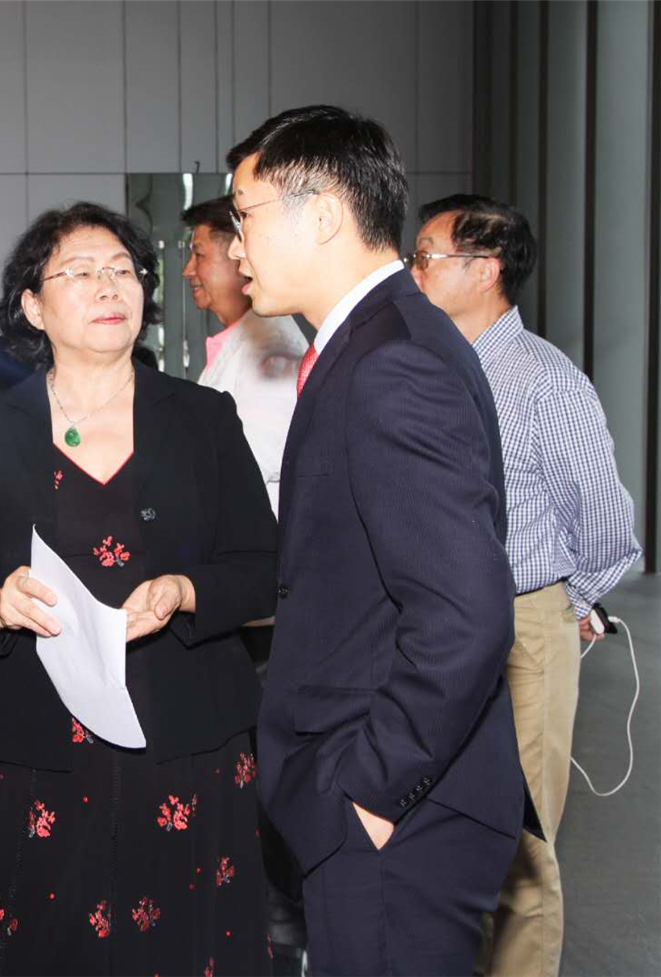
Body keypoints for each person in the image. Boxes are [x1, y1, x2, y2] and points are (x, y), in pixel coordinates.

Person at [0, 202, 278, 975]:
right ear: (33, 306)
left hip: (189, 740)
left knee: (189, 946)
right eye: (79, 272)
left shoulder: (203, 419)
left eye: (122, 270)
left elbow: (263, 566)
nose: (109, 286)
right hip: (41, 746)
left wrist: (184, 589)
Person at [229, 106, 537, 976]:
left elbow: (466, 614)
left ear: (325, 213)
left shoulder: (392, 359)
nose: (236, 246)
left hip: (402, 809)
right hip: (391, 796)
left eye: (244, 215)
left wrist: (369, 790)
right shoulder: (374, 339)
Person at [410, 193, 640, 977]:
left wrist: (570, 605)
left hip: (522, 624)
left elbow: (608, 524)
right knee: (451, 826)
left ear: (485, 269)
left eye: (427, 256)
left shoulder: (545, 381)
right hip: (439, 623)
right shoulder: (433, 366)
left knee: (524, 840)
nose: (413, 271)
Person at [182, 193, 308, 972]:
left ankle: (281, 943)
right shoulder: (235, 345)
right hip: (246, 613)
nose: (192, 270)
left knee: (269, 800)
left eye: (201, 252)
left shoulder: (269, 355)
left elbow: (249, 506)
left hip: (264, 622)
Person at [183, 195, 307, 516]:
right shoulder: (242, 338)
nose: (188, 270)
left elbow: (258, 460)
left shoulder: (272, 344)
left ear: (240, 256)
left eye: (199, 255)